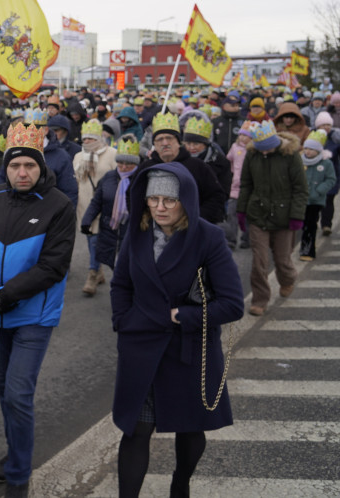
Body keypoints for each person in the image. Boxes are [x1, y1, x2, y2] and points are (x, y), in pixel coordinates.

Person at [111, 164, 245, 497]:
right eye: (153, 198)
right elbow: (121, 284)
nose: (159, 207)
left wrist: (181, 316)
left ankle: (180, 481)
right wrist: (123, 322)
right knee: (136, 431)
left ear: (185, 200)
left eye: (169, 200)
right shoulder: (136, 232)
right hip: (141, 347)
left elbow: (232, 304)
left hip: (190, 350)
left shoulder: (208, 237)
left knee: (190, 428)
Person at [0, 122, 75, 491]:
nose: (22, 173)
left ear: (41, 168)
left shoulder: (59, 206)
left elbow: (52, 266)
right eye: (15, 166)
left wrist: (1, 294)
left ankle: (18, 477)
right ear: (5, 168)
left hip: (33, 316)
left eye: (29, 166)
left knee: (18, 395)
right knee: (1, 392)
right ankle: (15, 454)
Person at [237, 120, 308, 316]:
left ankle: (287, 279)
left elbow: (300, 189)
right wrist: (242, 211)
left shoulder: (290, 155)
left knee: (282, 259)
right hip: (258, 214)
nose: (264, 153)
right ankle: (260, 299)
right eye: (261, 150)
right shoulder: (252, 155)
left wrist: (296, 216)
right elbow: (246, 185)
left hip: (284, 216)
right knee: (259, 261)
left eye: (267, 150)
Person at [140, 112, 226, 224]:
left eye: (169, 138)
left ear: (178, 141)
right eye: (160, 139)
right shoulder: (146, 169)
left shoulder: (198, 167)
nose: (165, 143)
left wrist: (195, 219)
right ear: (154, 144)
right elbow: (133, 197)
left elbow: (216, 197)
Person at [80, 136, 140, 296]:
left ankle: (128, 293)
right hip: (110, 228)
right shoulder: (109, 177)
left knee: (129, 264)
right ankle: (119, 289)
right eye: (121, 162)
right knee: (115, 263)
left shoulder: (142, 179)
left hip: (132, 229)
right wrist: (87, 220)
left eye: (129, 163)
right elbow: (97, 201)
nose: (124, 166)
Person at [75, 119, 118, 295]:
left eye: (91, 139)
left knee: (95, 241)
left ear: (99, 138)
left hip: (103, 206)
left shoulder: (112, 154)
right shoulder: (78, 156)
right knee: (89, 238)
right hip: (84, 205)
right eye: (84, 139)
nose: (87, 143)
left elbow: (119, 178)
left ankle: (92, 274)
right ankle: (99, 272)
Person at [299, 130, 336, 261]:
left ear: (318, 150)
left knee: (311, 224)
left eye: (311, 149)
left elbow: (331, 179)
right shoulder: (299, 161)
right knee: (301, 224)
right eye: (306, 148)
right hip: (301, 199)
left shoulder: (326, 163)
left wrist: (319, 190)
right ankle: (302, 246)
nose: (308, 152)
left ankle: (308, 251)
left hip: (315, 200)